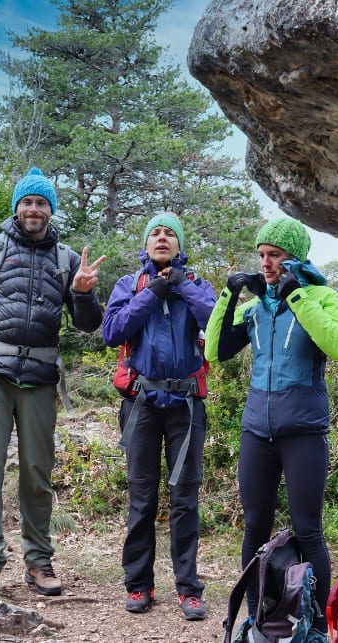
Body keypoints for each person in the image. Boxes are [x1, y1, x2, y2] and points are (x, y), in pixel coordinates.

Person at [0, 167, 105, 597]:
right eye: (27, 202)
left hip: (40, 378)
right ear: (17, 207)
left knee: (36, 473)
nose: (34, 209)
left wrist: (84, 292)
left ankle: (38, 561)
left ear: (51, 210)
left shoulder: (66, 259)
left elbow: (88, 325)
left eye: (42, 203)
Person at [204, 217, 338, 636]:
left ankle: (318, 627)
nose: (266, 263)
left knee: (309, 530)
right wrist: (228, 294)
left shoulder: (322, 297)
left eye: (275, 256)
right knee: (255, 528)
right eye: (262, 256)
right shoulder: (256, 309)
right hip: (257, 431)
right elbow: (216, 351)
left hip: (304, 432)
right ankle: (257, 619)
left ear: (294, 259)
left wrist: (298, 297)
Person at [101, 212, 216, 620]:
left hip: (185, 407)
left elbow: (216, 328)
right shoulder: (129, 286)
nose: (162, 238)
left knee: (185, 499)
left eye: (170, 234)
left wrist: (181, 284)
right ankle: (139, 585)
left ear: (180, 245)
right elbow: (112, 331)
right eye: (156, 233)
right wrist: (154, 291)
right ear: (146, 244)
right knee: (142, 498)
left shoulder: (197, 286)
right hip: (141, 405)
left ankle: (188, 589)